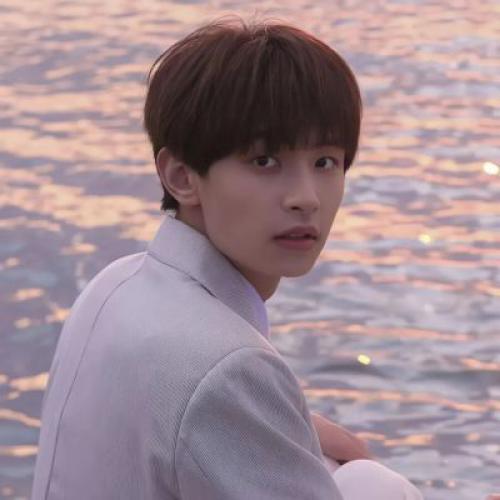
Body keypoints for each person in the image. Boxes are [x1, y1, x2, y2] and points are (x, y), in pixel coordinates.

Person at [31, 15, 423, 499]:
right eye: (264, 161)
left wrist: (294, 425)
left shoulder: (113, 288)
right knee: (372, 483)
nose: (306, 198)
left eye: (325, 162)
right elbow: (214, 385)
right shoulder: (230, 367)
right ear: (181, 177)